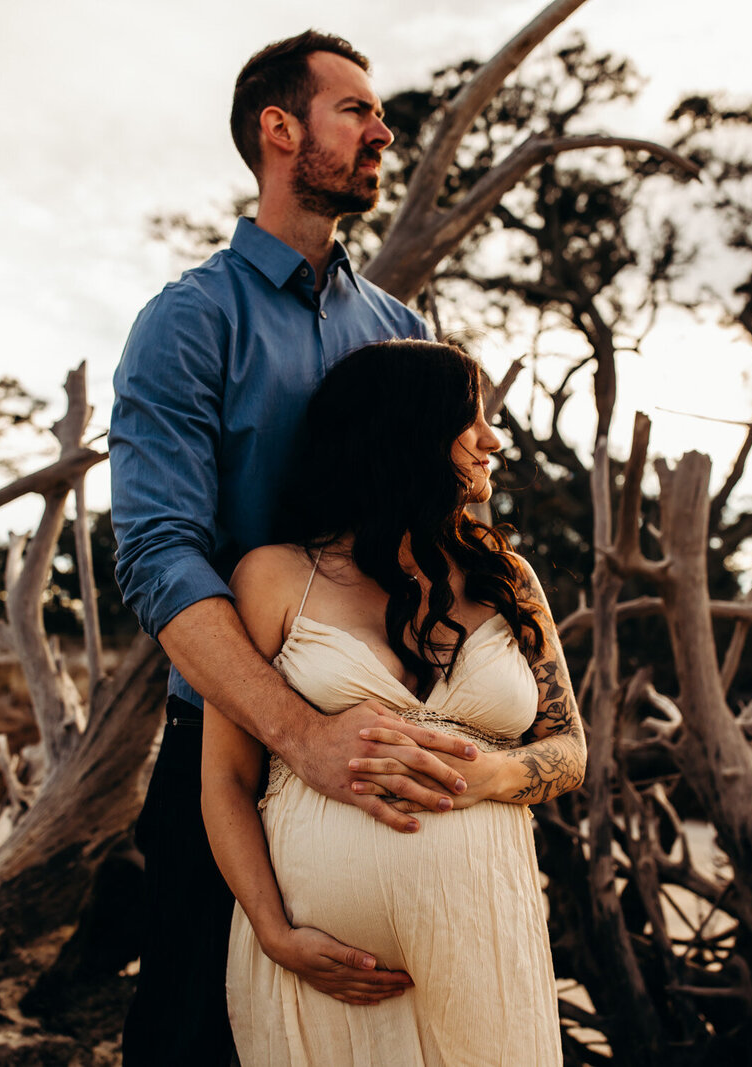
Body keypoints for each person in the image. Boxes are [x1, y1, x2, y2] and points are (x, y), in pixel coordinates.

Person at [110, 31, 480, 1064]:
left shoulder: (402, 329)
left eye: (377, 114)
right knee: (195, 1041)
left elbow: (442, 531)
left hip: (397, 759)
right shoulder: (189, 322)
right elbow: (156, 553)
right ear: (280, 129)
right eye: (356, 109)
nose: (382, 129)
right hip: (222, 755)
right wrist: (299, 733)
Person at [203, 339, 587, 1065]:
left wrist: (491, 775)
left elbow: (570, 752)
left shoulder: (509, 579)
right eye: (468, 419)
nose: (491, 440)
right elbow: (225, 779)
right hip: (320, 972)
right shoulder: (275, 577)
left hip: (486, 950)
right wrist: (273, 931)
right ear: (404, 430)